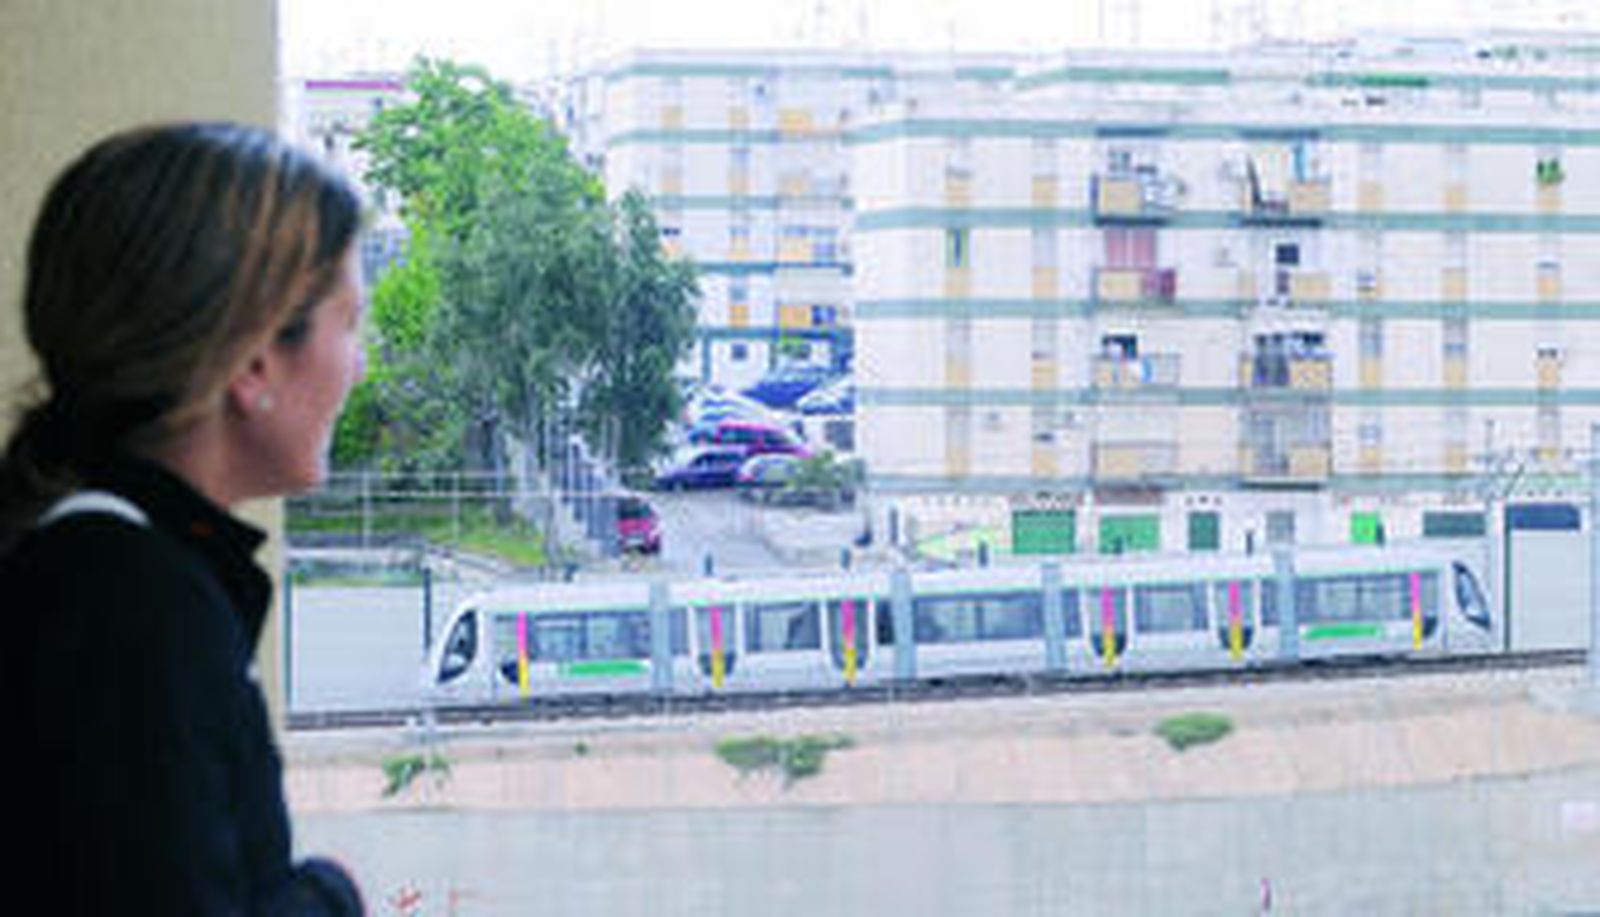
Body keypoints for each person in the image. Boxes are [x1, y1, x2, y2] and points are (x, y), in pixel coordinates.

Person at [0, 123, 367, 914]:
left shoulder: (88, 565)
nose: (359, 364)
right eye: (350, 324)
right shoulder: (133, 614)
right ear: (256, 361)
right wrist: (330, 893)